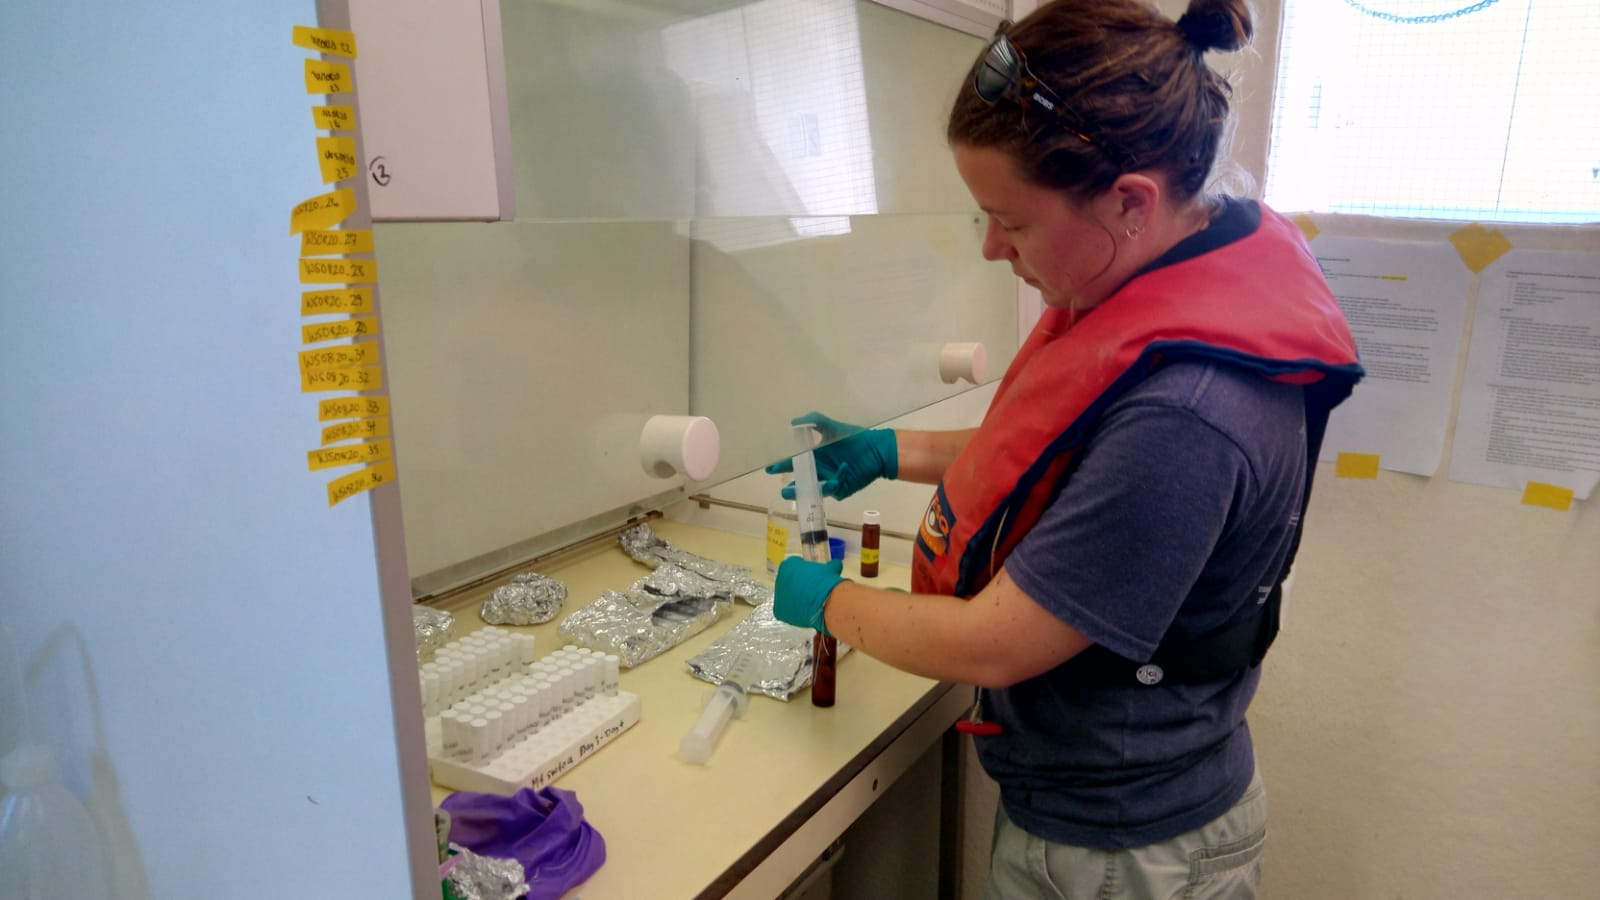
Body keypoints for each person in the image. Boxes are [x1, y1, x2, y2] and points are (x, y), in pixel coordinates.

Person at [767, 1, 1365, 897]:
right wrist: (893, 450)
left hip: (1129, 854)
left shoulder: (1190, 416)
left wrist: (829, 601)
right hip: (1098, 812)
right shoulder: (1173, 271)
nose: (991, 247)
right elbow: (1059, 458)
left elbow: (993, 645)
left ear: (1130, 200)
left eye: (1012, 219)